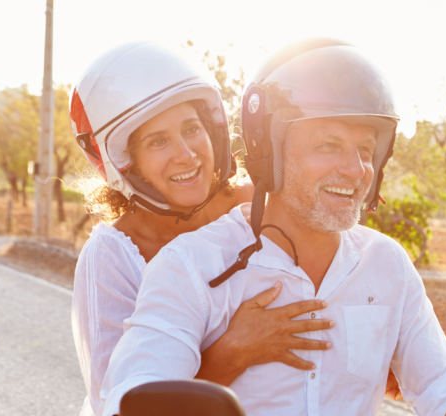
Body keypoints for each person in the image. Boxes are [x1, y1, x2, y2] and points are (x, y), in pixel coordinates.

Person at [100, 39, 446, 416]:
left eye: (364, 150)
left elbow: (444, 389)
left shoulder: (387, 264)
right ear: (269, 151)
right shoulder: (191, 267)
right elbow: (137, 395)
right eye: (328, 145)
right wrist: (227, 356)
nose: (356, 169)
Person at [69, 42, 338, 416]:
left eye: (191, 128)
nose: (186, 153)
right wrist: (234, 350)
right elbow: (118, 406)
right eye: (158, 141)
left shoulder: (260, 206)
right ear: (128, 163)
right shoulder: (112, 256)